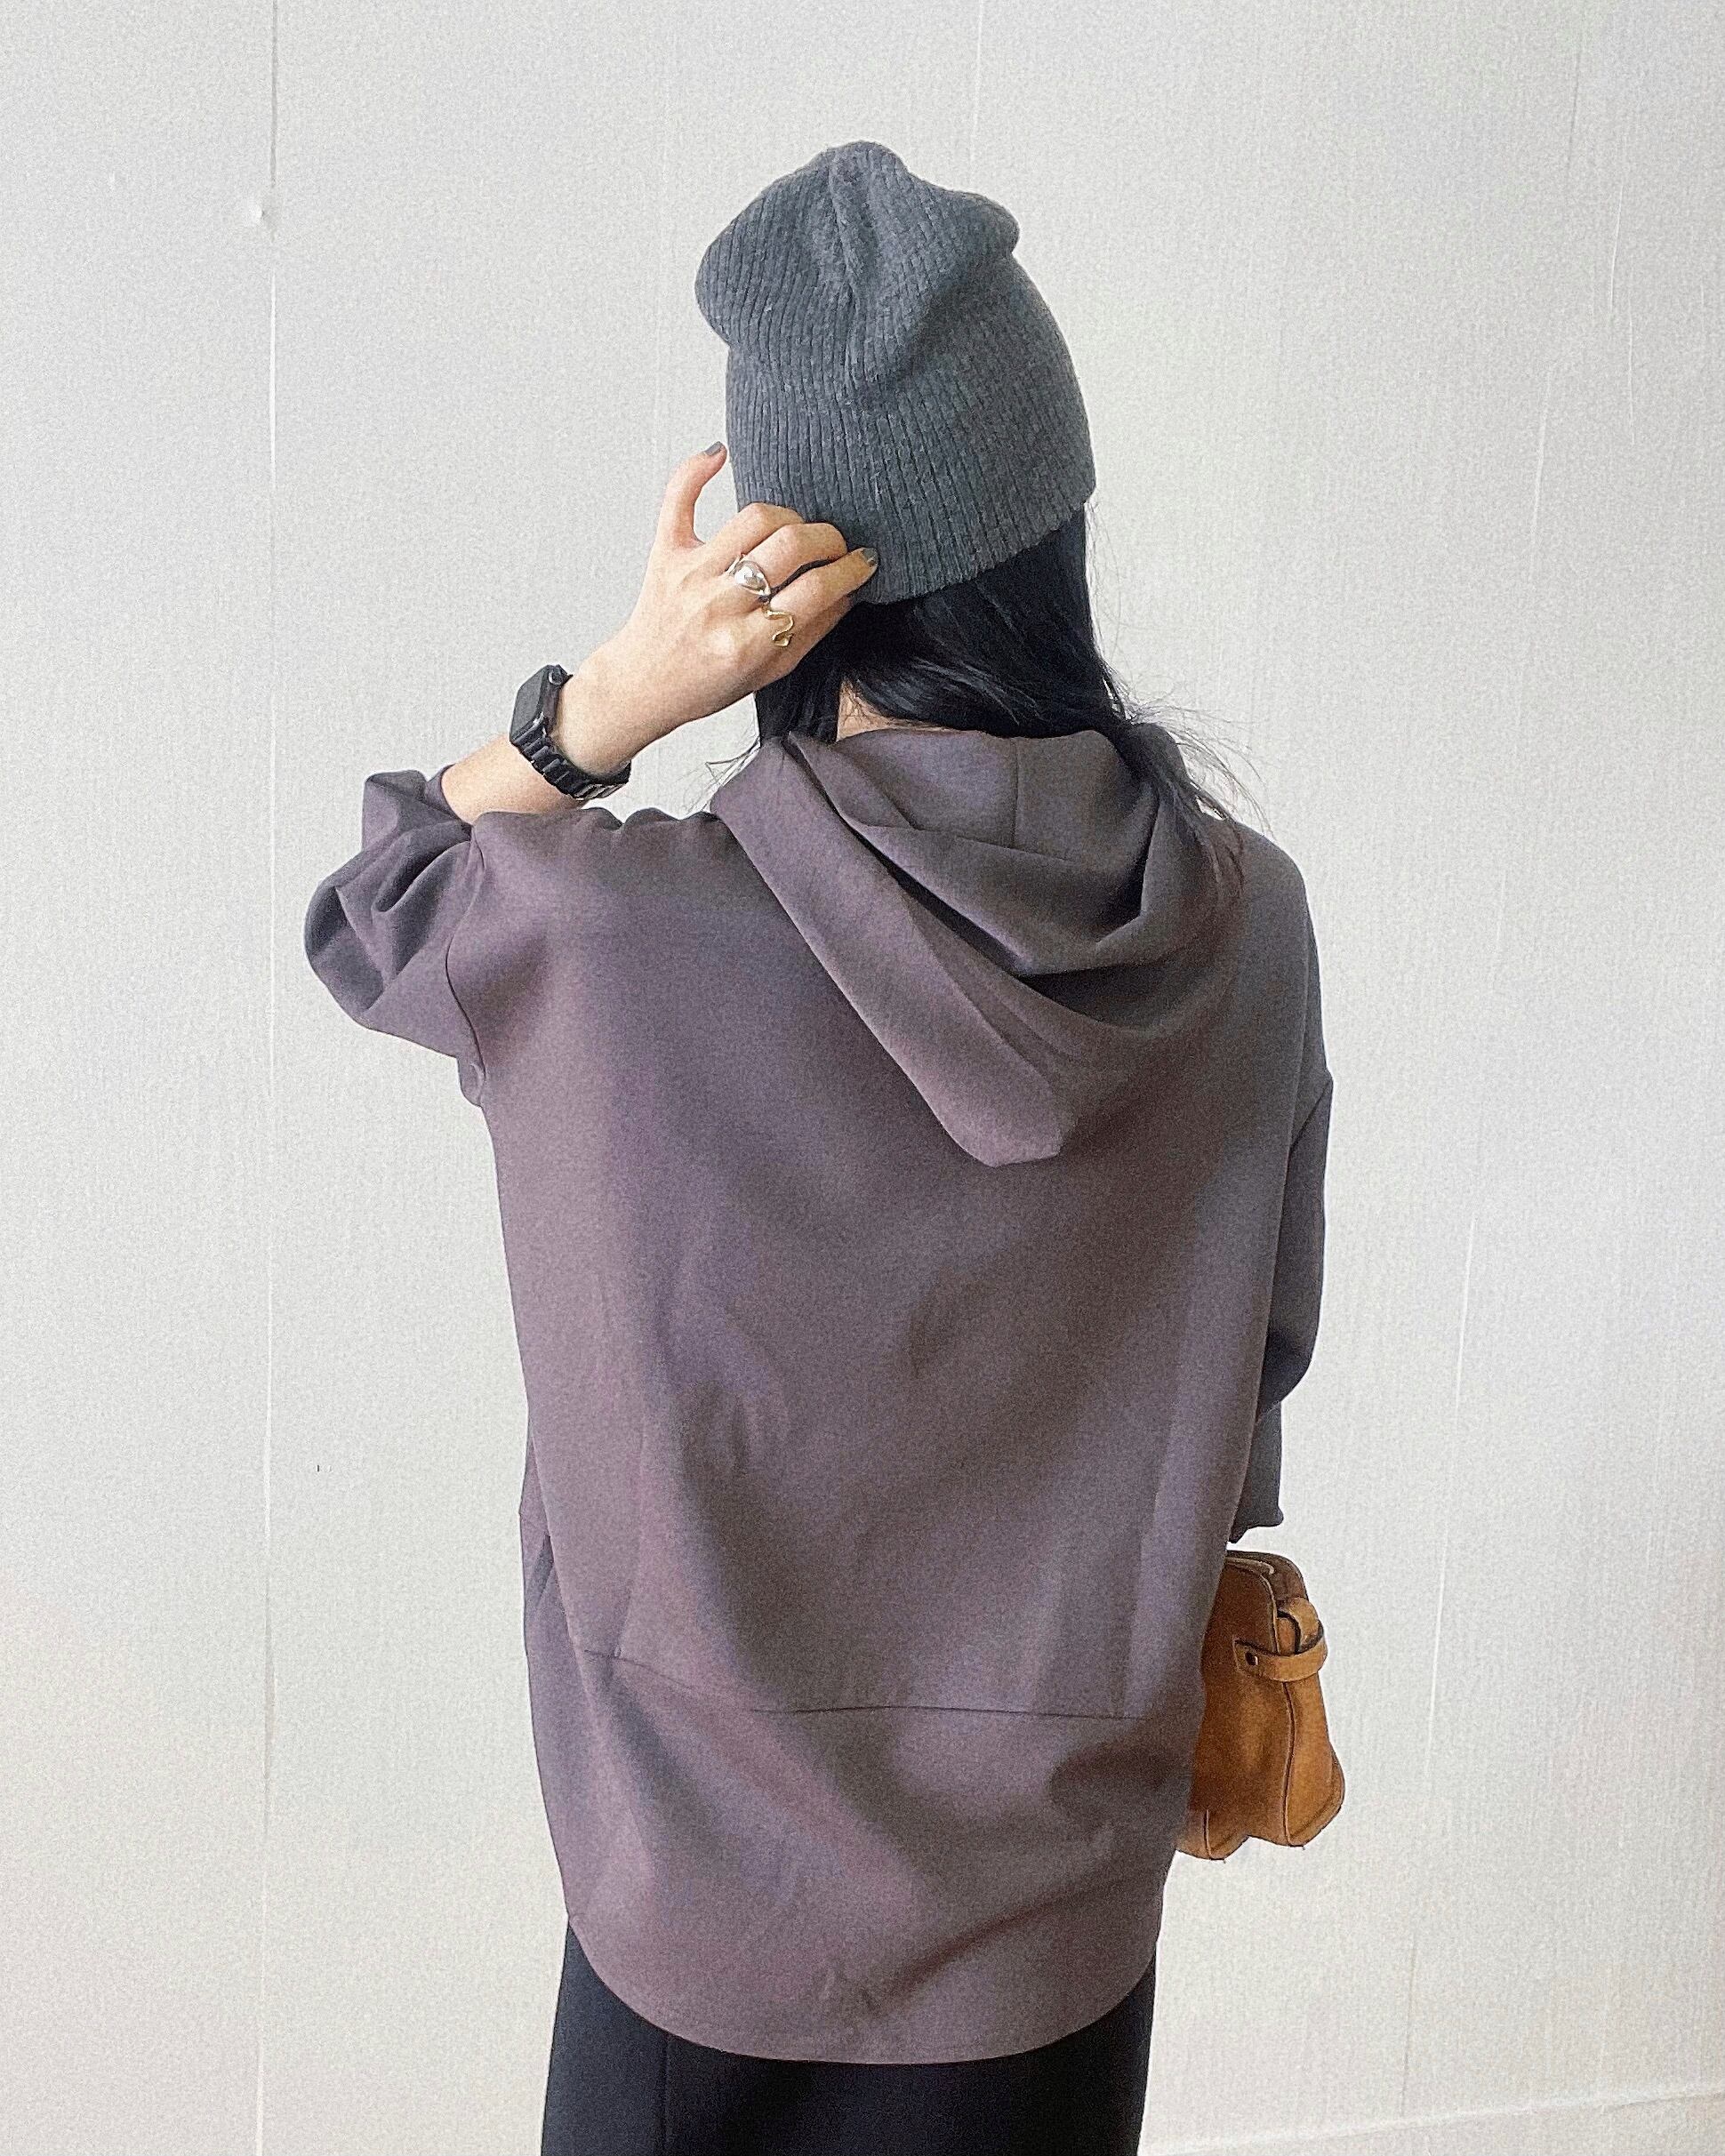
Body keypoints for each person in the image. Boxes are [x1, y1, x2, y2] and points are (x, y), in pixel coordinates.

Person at [304, 140, 1332, 2156]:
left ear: (779, 582)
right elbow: (1251, 1373)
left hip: (688, 1926)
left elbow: (378, 908)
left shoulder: (617, 935)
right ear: (1054, 524)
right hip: (1048, 1938)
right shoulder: (1242, 922)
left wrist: (602, 708)